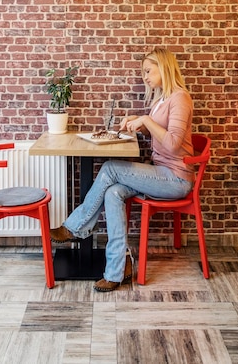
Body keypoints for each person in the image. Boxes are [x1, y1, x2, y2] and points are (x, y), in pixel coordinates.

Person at [50, 47, 195, 292]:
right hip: (159, 172)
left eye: (148, 71)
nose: (145, 78)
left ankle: (76, 227)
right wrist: (138, 123)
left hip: (175, 179)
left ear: (164, 67)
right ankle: (118, 270)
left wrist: (145, 120)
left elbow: (172, 143)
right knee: (112, 192)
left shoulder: (180, 97)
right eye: (143, 73)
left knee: (109, 168)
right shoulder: (161, 100)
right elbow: (160, 135)